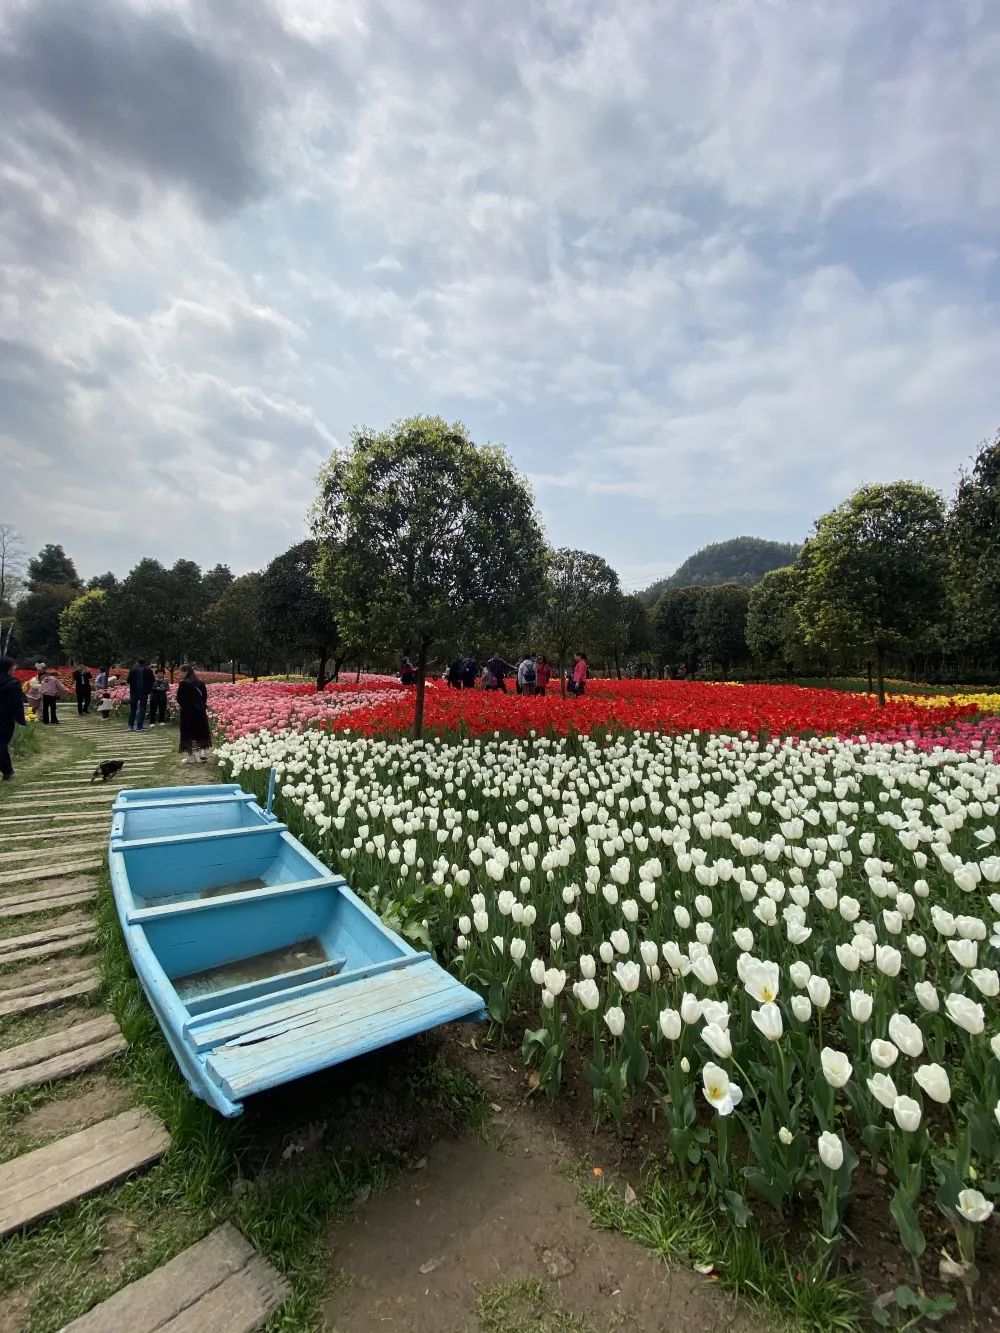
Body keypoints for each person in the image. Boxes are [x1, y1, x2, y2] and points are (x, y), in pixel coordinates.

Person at [176, 664, 211, 763]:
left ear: (186, 671)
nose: (180, 674)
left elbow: (179, 698)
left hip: (187, 712)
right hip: (200, 711)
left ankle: (190, 757)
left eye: (181, 672)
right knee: (201, 731)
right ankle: (202, 752)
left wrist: (185, 706)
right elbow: (204, 698)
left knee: (188, 734)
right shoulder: (201, 683)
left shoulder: (183, 684)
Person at [0, 657, 27, 781]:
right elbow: (17, 703)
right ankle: (7, 770)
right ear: (10, 668)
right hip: (5, 719)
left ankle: (7, 770)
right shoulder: (13, 683)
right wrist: (20, 719)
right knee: (1, 744)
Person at [127, 659, 155, 732]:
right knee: (142, 709)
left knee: (133, 708)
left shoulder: (132, 670)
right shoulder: (149, 670)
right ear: (144, 663)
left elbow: (128, 680)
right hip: (144, 692)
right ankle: (139, 726)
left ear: (137, 662)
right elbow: (152, 681)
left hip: (134, 692)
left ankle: (130, 725)